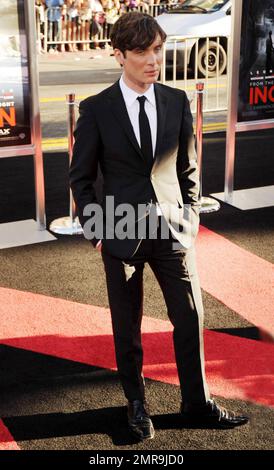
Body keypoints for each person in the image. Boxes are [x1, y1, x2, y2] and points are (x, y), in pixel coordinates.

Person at [69, 12, 249, 441]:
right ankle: (136, 406)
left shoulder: (175, 100)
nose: (153, 60)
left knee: (189, 318)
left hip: (173, 230)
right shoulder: (96, 110)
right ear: (119, 55)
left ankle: (197, 402)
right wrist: (98, 232)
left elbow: (188, 167)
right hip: (121, 232)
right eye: (142, 52)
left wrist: (189, 216)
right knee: (127, 328)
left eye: (157, 50)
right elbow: (81, 177)